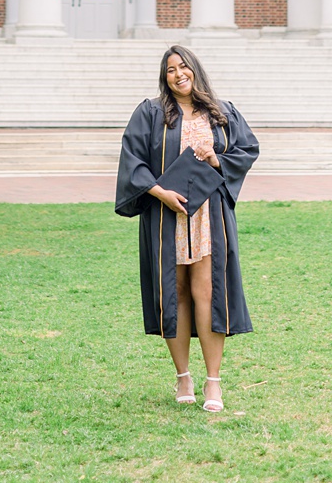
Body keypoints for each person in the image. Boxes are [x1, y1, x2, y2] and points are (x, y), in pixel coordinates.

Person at [115, 44, 260, 412]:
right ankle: (183, 376)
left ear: (195, 69)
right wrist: (159, 192)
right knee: (174, 293)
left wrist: (217, 159)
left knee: (207, 293)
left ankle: (214, 383)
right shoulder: (151, 113)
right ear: (164, 77)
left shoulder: (223, 112)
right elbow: (133, 159)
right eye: (170, 70)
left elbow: (246, 149)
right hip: (167, 217)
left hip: (209, 216)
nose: (178, 74)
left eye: (183, 66)